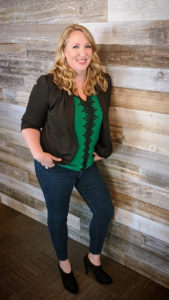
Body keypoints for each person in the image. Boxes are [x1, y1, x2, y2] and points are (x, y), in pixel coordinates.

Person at [21, 24, 114, 294]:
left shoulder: (102, 82)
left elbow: (101, 120)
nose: (82, 52)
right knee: (58, 217)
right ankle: (64, 265)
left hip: (86, 165)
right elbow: (29, 124)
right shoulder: (48, 83)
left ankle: (92, 258)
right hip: (56, 168)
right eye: (75, 46)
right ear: (64, 50)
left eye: (87, 46)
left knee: (104, 210)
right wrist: (39, 155)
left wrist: (102, 150)